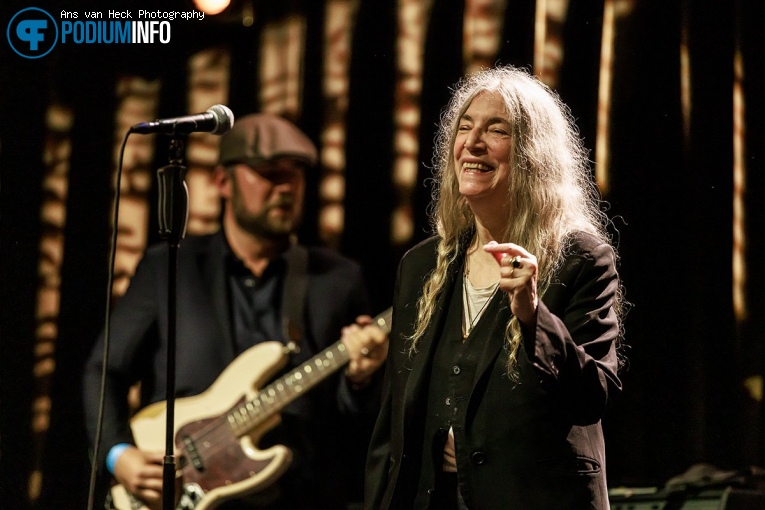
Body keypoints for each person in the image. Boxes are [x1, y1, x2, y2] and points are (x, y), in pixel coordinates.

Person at [83, 113, 389, 510]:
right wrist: (118, 455)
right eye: (268, 174)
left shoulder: (338, 279)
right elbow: (104, 369)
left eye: (294, 176)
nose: (285, 188)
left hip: (300, 495)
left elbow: (356, 423)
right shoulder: (170, 267)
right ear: (222, 182)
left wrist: (362, 380)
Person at [364, 65, 626, 510]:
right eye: (464, 127)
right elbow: (394, 424)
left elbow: (592, 396)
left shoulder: (580, 259)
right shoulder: (422, 265)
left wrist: (533, 315)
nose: (472, 143)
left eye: (496, 130)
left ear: (532, 154)